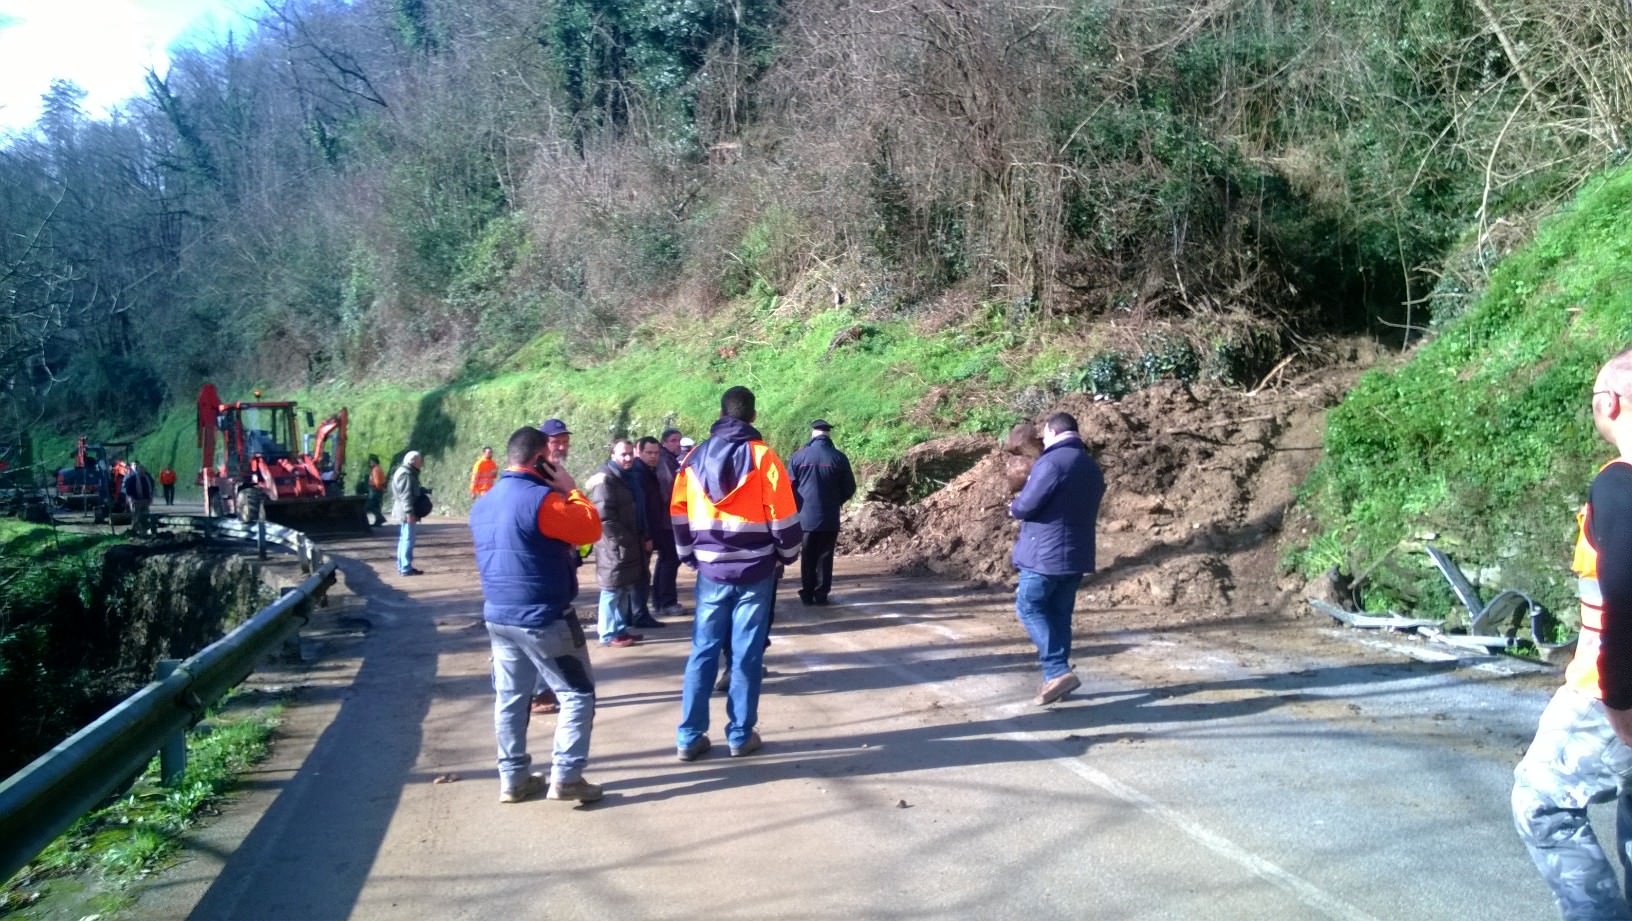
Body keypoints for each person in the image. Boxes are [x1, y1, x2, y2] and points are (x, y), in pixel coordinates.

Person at [1514, 348, 1632, 919]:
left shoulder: (1618, 486)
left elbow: (1627, 592)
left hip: (1604, 692)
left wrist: (1620, 695)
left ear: (1609, 403)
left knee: (1542, 801)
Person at [469, 426, 605, 804]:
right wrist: (570, 486)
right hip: (544, 617)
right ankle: (567, 776)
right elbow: (590, 528)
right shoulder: (542, 501)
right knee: (577, 694)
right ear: (540, 460)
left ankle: (513, 778)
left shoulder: (483, 503)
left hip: (499, 617)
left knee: (510, 699)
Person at [671, 385, 801, 761]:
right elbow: (783, 515)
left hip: (711, 569)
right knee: (745, 654)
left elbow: (678, 512)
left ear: (722, 413)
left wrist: (688, 556)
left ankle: (689, 736)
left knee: (703, 651)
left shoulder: (693, 459)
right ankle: (741, 734)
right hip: (756, 568)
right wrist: (786, 554)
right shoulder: (764, 458)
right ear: (753, 416)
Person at [1010, 412, 1104, 707]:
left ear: (1052, 431)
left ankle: (1057, 670)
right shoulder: (1090, 467)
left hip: (1045, 554)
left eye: (1044, 435)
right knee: (1059, 614)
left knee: (1029, 606)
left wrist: (1013, 507)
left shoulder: (1051, 463)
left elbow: (1028, 504)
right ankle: (1057, 678)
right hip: (1076, 554)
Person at [788, 419, 857, 606]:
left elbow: (789, 487)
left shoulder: (798, 457)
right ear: (828, 435)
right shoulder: (838, 458)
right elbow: (850, 487)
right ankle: (821, 594)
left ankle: (807, 594)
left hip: (805, 518)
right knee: (825, 555)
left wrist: (798, 507)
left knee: (808, 554)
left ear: (812, 434)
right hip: (829, 517)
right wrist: (835, 501)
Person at [584, 439, 645, 647]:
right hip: (613, 545)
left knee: (622, 588)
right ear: (613, 456)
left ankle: (619, 630)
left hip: (624, 543)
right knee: (611, 590)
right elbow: (604, 518)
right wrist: (625, 540)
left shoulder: (625, 478)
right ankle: (608, 634)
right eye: (623, 454)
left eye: (630, 453)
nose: (628, 458)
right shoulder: (606, 480)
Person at [630, 436, 669, 629]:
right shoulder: (639, 474)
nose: (653, 456)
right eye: (649, 453)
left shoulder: (649, 471)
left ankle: (638, 613)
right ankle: (639, 615)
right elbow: (641, 508)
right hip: (644, 532)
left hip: (651, 529)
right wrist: (646, 535)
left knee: (641, 574)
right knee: (640, 576)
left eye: (656, 453)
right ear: (639, 452)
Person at [651, 428, 686, 617]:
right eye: (673, 440)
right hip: (667, 521)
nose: (677, 444)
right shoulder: (665, 461)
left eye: (679, 440)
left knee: (665, 561)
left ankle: (660, 600)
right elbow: (669, 490)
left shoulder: (668, 460)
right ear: (664, 443)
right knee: (669, 561)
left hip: (666, 519)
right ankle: (666, 601)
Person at [391, 451, 425, 576]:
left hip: (404, 510)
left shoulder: (405, 472)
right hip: (406, 511)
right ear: (413, 461)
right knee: (408, 539)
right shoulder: (406, 474)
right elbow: (406, 496)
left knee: (404, 538)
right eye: (420, 460)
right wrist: (410, 513)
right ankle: (405, 568)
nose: (422, 463)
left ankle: (403, 567)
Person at [122, 460, 156, 536]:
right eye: (141, 470)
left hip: (145, 500)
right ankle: (135, 531)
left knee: (145, 516)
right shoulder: (132, 478)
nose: (143, 471)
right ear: (138, 470)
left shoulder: (147, 478)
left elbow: (151, 487)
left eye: (143, 470)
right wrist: (132, 498)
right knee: (136, 516)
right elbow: (128, 489)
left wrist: (150, 497)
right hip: (136, 500)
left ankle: (145, 530)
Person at [366, 456, 387, 527]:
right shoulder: (378, 468)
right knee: (376, 506)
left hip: (375, 490)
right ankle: (378, 520)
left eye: (371, 461)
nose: (369, 463)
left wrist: (378, 488)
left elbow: (377, 482)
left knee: (371, 505)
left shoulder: (375, 470)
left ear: (374, 461)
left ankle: (380, 518)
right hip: (378, 489)